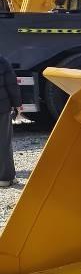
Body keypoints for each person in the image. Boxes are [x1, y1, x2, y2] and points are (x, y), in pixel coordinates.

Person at [0, 53, 21, 187]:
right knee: (3, 142)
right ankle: (5, 178)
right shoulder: (2, 61)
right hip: (1, 108)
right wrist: (17, 104)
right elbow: (11, 84)